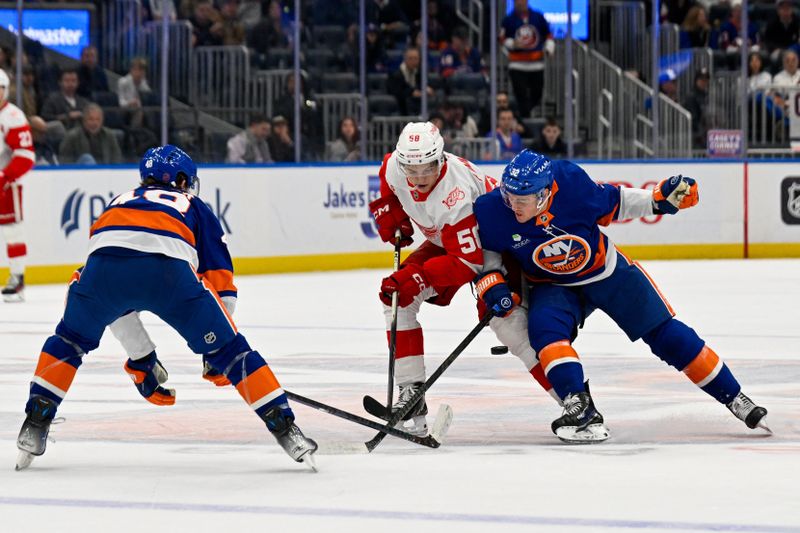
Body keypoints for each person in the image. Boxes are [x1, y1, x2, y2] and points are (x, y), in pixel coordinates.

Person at [15, 145, 318, 470]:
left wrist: (142, 358)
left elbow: (113, 291)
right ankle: (286, 428)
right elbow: (221, 281)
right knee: (236, 355)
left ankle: (35, 420)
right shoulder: (193, 205)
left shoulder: (118, 201)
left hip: (101, 274)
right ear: (184, 180)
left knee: (69, 341)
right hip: (169, 275)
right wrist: (216, 353)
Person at [472, 149, 770, 443]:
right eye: (508, 196)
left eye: (521, 199)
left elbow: (616, 202)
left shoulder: (571, 183)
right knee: (545, 336)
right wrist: (494, 284)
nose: (512, 205)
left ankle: (735, 397)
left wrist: (657, 200)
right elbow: (488, 258)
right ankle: (579, 406)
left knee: (666, 335)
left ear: (544, 194)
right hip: (552, 285)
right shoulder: (492, 209)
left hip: (606, 272)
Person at [367, 122, 560, 436]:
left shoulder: (455, 197)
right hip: (451, 242)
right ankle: (411, 394)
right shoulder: (396, 167)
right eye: (411, 170)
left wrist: (416, 277)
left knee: (509, 325)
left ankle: (574, 402)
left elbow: (468, 263)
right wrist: (389, 210)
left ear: (441, 160)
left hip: (494, 246)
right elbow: (388, 174)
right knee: (396, 298)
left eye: (427, 169)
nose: (418, 179)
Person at [0, 69, 35, 302]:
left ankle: (17, 276)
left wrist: (5, 176)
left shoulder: (13, 116)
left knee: (12, 230)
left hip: (6, 185)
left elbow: (25, 155)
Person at [500, 0, 554, 118]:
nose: (520, 3)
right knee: (521, 95)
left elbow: (548, 35)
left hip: (536, 64)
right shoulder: (508, 20)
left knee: (537, 94)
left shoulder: (538, 17)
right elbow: (502, 39)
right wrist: (513, 44)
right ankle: (524, 120)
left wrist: (549, 48)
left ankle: (522, 117)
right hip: (517, 65)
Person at [58, 104, 123, 165]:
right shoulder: (72, 136)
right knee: (87, 158)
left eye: (98, 119)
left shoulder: (109, 135)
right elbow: (64, 161)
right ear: (84, 120)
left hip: (105, 173)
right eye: (91, 119)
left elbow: (117, 158)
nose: (95, 123)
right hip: (79, 173)